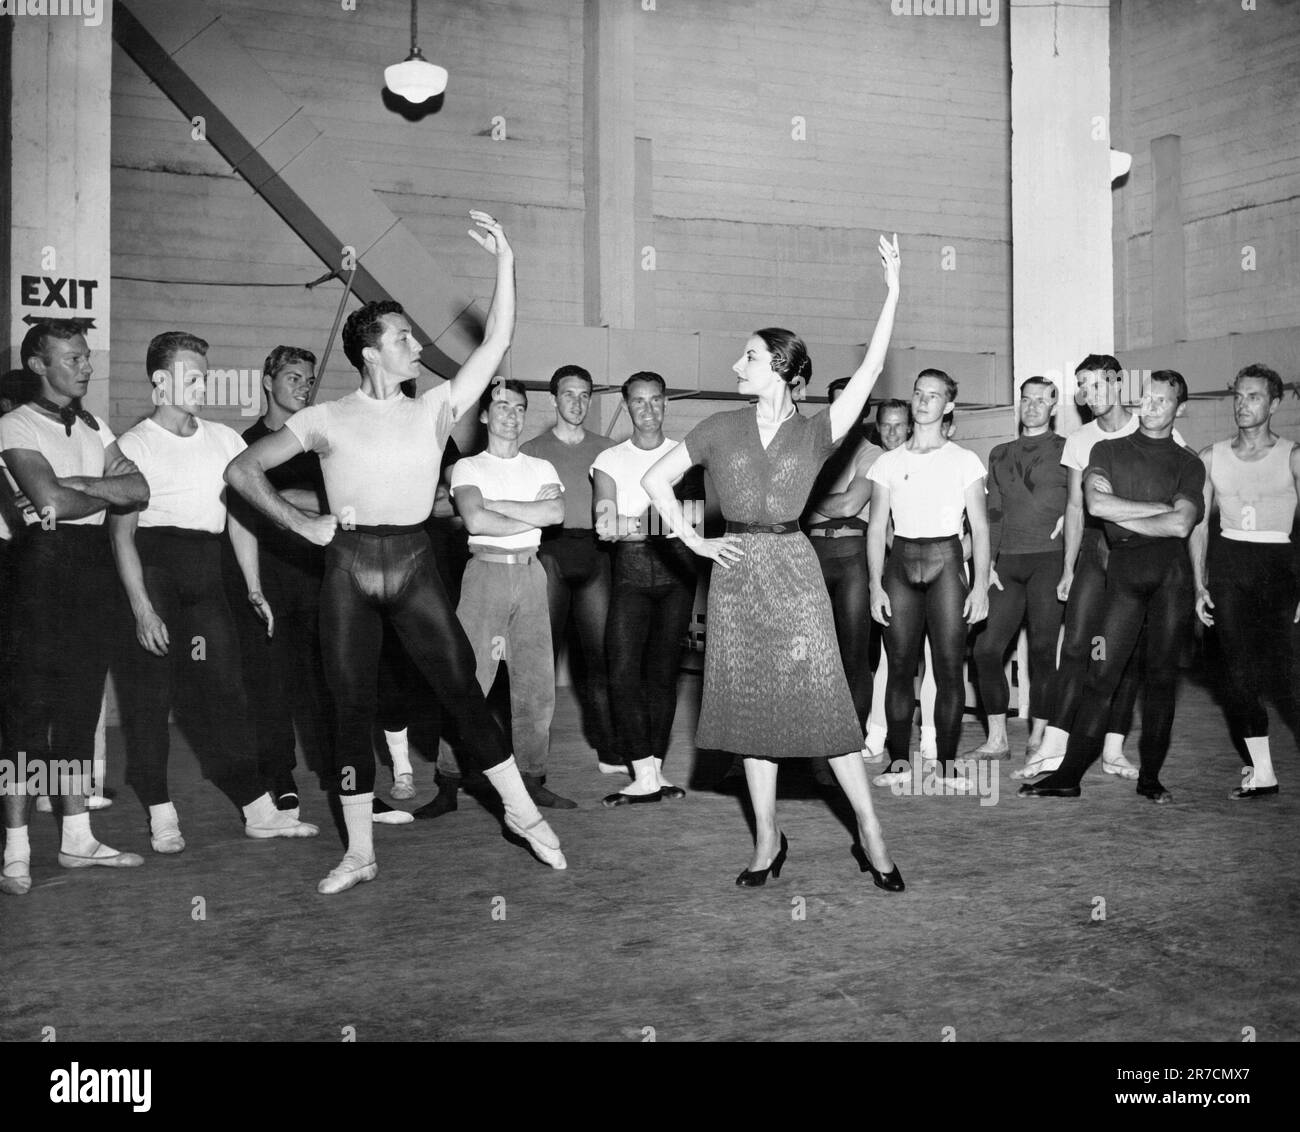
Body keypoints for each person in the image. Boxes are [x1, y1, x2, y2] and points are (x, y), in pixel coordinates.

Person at [226, 211, 567, 894]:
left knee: (463, 694)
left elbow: (496, 342)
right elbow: (241, 471)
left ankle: (524, 816)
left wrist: (507, 260)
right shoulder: (324, 419)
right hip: (348, 568)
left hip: (414, 563)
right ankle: (359, 851)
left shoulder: (435, 406)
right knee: (348, 710)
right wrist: (302, 523)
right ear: (372, 352)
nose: (417, 346)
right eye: (404, 338)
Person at [642, 234, 903, 891]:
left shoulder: (815, 431)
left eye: (751, 356)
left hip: (793, 568)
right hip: (734, 575)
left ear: (784, 370)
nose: (739, 362)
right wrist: (695, 542)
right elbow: (653, 481)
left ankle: (870, 832)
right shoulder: (717, 428)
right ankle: (766, 841)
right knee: (749, 712)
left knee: (828, 705)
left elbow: (870, 374)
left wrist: (893, 293)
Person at [110, 331, 320, 852]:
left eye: (204, 374)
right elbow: (120, 535)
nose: (202, 384)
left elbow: (241, 520)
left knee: (226, 694)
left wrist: (253, 586)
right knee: (151, 698)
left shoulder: (227, 440)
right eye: (190, 375)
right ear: (160, 381)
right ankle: (160, 811)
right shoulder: (132, 445)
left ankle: (258, 810)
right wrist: (141, 609)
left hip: (207, 575)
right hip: (155, 570)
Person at [1, 321, 148, 895]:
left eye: (87, 357)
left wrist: (71, 487)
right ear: (39, 365)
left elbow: (140, 490)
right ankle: (16, 850)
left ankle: (76, 839)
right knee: (25, 716)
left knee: (79, 711)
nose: (86, 366)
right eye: (73, 358)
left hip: (92, 575)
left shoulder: (93, 423)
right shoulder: (14, 424)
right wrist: (85, 492)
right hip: (38, 575)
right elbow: (50, 502)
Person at [1020, 370, 1204, 803]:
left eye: (1163, 400)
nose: (1152, 406)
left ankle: (1151, 779)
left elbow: (1183, 524)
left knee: (1159, 679)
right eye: (1149, 398)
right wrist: (1160, 507)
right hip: (1122, 577)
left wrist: (1138, 515)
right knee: (1100, 673)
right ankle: (1067, 776)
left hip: (1171, 581)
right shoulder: (1107, 449)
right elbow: (1096, 506)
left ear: (1180, 408)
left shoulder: (1188, 462)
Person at [431, 379, 572, 811]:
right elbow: (475, 521)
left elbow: (555, 514)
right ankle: (449, 782)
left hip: (530, 575)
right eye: (501, 407)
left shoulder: (542, 468)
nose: (511, 415)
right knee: (468, 681)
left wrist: (499, 505)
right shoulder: (469, 468)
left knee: (536, 685)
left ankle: (532, 778)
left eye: (519, 408)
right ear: (487, 416)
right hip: (485, 575)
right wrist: (525, 511)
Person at [868, 371, 990, 789]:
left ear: (948, 406)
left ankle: (948, 766)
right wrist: (874, 584)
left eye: (933, 396)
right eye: (918, 393)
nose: (923, 401)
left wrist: (978, 587)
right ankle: (898, 762)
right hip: (900, 561)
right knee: (900, 668)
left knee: (949, 668)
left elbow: (981, 527)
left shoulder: (964, 460)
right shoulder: (888, 462)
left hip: (947, 561)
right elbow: (875, 529)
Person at [229, 345, 331, 812]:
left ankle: (343, 779)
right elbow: (242, 500)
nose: (302, 387)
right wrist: (295, 500)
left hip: (318, 575)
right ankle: (280, 779)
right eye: (293, 377)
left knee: (326, 683)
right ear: (268, 382)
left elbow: (336, 502)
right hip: (266, 579)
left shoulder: (317, 441)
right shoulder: (245, 442)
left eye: (308, 380)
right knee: (269, 685)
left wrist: (277, 496)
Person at [1191, 363, 1300, 799]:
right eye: (1238, 396)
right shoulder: (1210, 456)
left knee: (1290, 679)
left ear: (1273, 404)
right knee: (1237, 676)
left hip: (1280, 567)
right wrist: (1199, 584)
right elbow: (1199, 526)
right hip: (1230, 566)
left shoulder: (1293, 456)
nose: (1243, 404)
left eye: (1253, 397)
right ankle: (1263, 771)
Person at [593, 372, 698, 806]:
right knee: (622, 673)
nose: (648, 410)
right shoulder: (610, 459)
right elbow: (603, 526)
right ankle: (639, 766)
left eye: (656, 401)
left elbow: (691, 521)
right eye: (638, 402)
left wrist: (630, 523)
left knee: (662, 676)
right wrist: (659, 522)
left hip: (677, 576)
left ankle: (652, 771)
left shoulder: (685, 457)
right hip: (631, 577)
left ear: (666, 403)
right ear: (627, 405)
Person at [521, 365, 618, 775]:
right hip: (550, 554)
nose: (576, 403)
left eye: (583, 396)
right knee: (539, 659)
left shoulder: (608, 449)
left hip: (596, 555)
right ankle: (530, 757)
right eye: (568, 395)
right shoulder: (532, 450)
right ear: (554, 399)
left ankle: (609, 748)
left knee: (601, 657)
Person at [969, 377, 1067, 757]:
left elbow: (1081, 501)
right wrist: (987, 564)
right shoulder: (999, 453)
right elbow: (992, 513)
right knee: (986, 649)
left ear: (1054, 407)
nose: (1032, 406)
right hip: (1007, 562)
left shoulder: (1067, 449)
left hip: (1049, 559)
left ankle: (1040, 736)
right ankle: (997, 739)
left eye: (1041, 401)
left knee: (1043, 649)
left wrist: (1070, 525)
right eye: (1027, 399)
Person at [802, 376, 881, 767]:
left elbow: (850, 502)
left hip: (852, 554)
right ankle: (817, 739)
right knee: (812, 654)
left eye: (851, 403)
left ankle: (854, 737)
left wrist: (806, 503)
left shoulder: (871, 453)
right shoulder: (812, 449)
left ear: (864, 410)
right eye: (836, 404)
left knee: (853, 653)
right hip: (811, 552)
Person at [861, 399, 910, 761]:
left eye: (899, 425)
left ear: (910, 426)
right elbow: (879, 528)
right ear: (877, 428)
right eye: (886, 425)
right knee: (888, 656)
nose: (892, 432)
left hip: (936, 565)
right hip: (890, 569)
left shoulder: (929, 458)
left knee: (937, 657)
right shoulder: (878, 464)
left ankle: (934, 742)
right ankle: (876, 735)